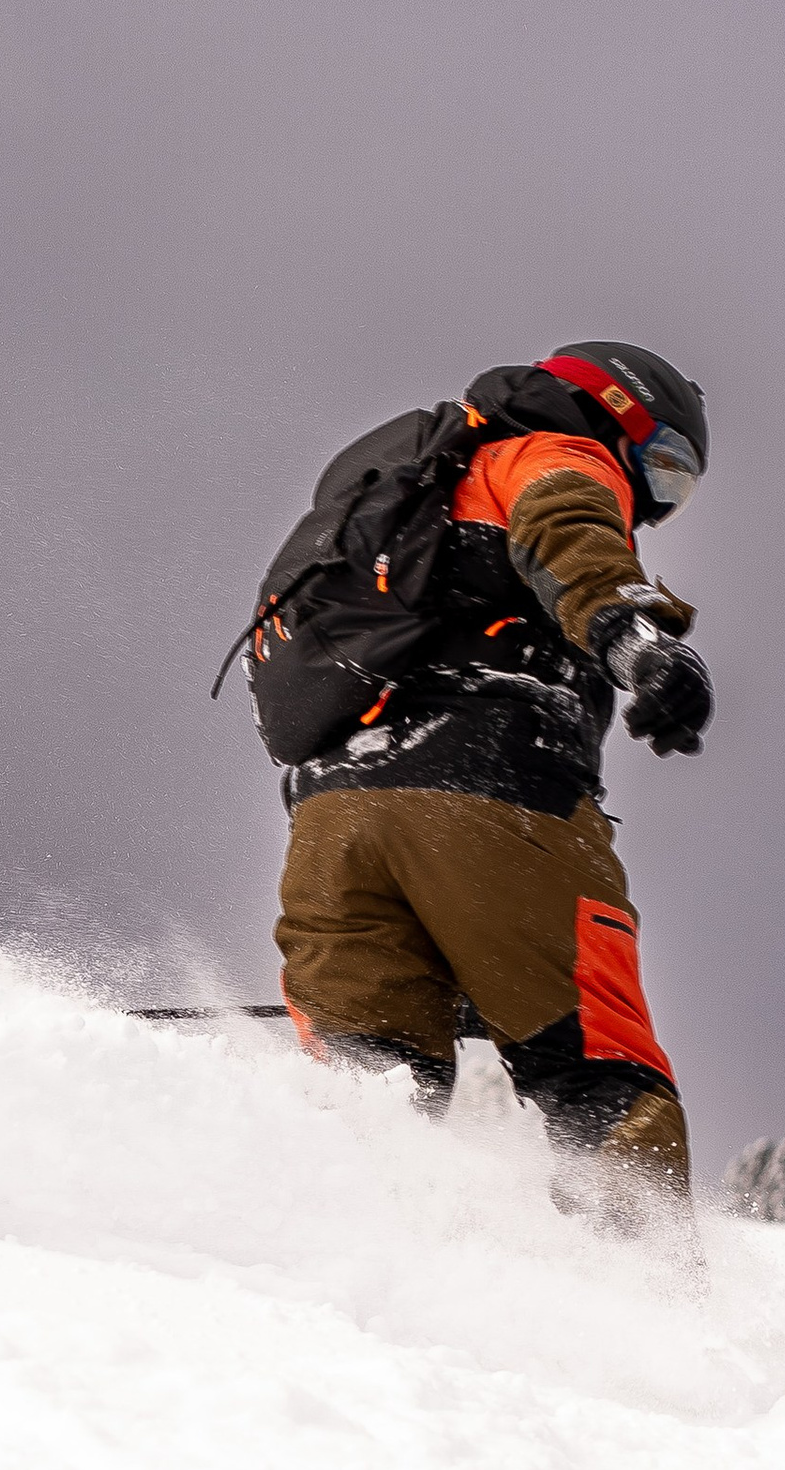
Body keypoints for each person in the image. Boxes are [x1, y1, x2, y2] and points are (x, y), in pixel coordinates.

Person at [237, 345, 712, 1219]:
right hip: (493, 790)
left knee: (373, 1093)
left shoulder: (405, 491)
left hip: (335, 817)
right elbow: (571, 535)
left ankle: (362, 1296)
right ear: (622, 412)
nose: (657, 500)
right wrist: (635, 644)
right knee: (602, 1075)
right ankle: (648, 1312)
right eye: (669, 471)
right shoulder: (555, 453)